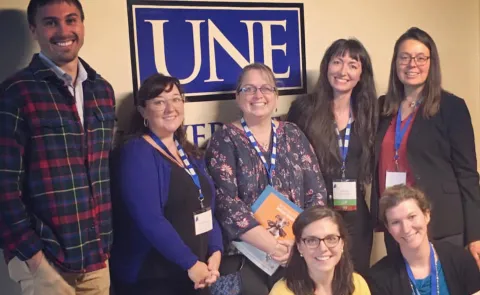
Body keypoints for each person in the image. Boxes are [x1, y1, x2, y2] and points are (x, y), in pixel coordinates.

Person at [0, 0, 114, 294]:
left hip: (96, 259)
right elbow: (4, 186)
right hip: (44, 262)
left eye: (71, 20)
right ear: (34, 30)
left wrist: (105, 247)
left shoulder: (102, 90)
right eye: (51, 22)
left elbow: (102, 173)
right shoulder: (16, 92)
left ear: (82, 25)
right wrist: (34, 257)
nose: (63, 30)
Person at [205, 63, 327, 295]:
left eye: (266, 88)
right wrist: (273, 246)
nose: (258, 95)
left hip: (297, 252)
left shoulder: (293, 134)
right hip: (245, 256)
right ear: (237, 97)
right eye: (248, 89)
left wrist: (301, 242)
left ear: (276, 96)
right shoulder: (224, 140)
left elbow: (317, 193)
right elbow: (226, 205)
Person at [370, 27, 480, 267]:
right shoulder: (383, 107)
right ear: (395, 62)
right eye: (405, 57)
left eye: (421, 58)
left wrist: (475, 235)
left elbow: (468, 174)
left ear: (431, 63)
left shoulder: (452, 107)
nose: (412, 64)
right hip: (397, 220)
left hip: (439, 219)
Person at [109, 73, 223, 295]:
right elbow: (149, 219)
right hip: (154, 279)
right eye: (159, 102)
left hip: (195, 275)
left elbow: (207, 209)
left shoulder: (189, 152)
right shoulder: (136, 152)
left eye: (176, 99)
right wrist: (190, 263)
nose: (170, 108)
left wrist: (215, 252)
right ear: (143, 111)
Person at [287, 38, 377, 275]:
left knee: (355, 278)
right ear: (327, 66)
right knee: (318, 279)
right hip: (315, 211)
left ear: (361, 75)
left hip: (356, 216)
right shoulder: (303, 109)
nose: (343, 71)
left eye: (352, 65)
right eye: (337, 62)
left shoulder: (370, 113)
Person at [366, 185, 480, 295]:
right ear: (388, 228)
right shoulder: (378, 278)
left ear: (426, 215)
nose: (406, 229)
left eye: (411, 217)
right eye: (395, 222)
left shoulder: (460, 259)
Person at [269, 206, 371, 295]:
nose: (323, 248)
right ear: (299, 246)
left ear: (342, 244)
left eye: (331, 239)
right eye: (312, 240)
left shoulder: (357, 284)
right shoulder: (281, 292)